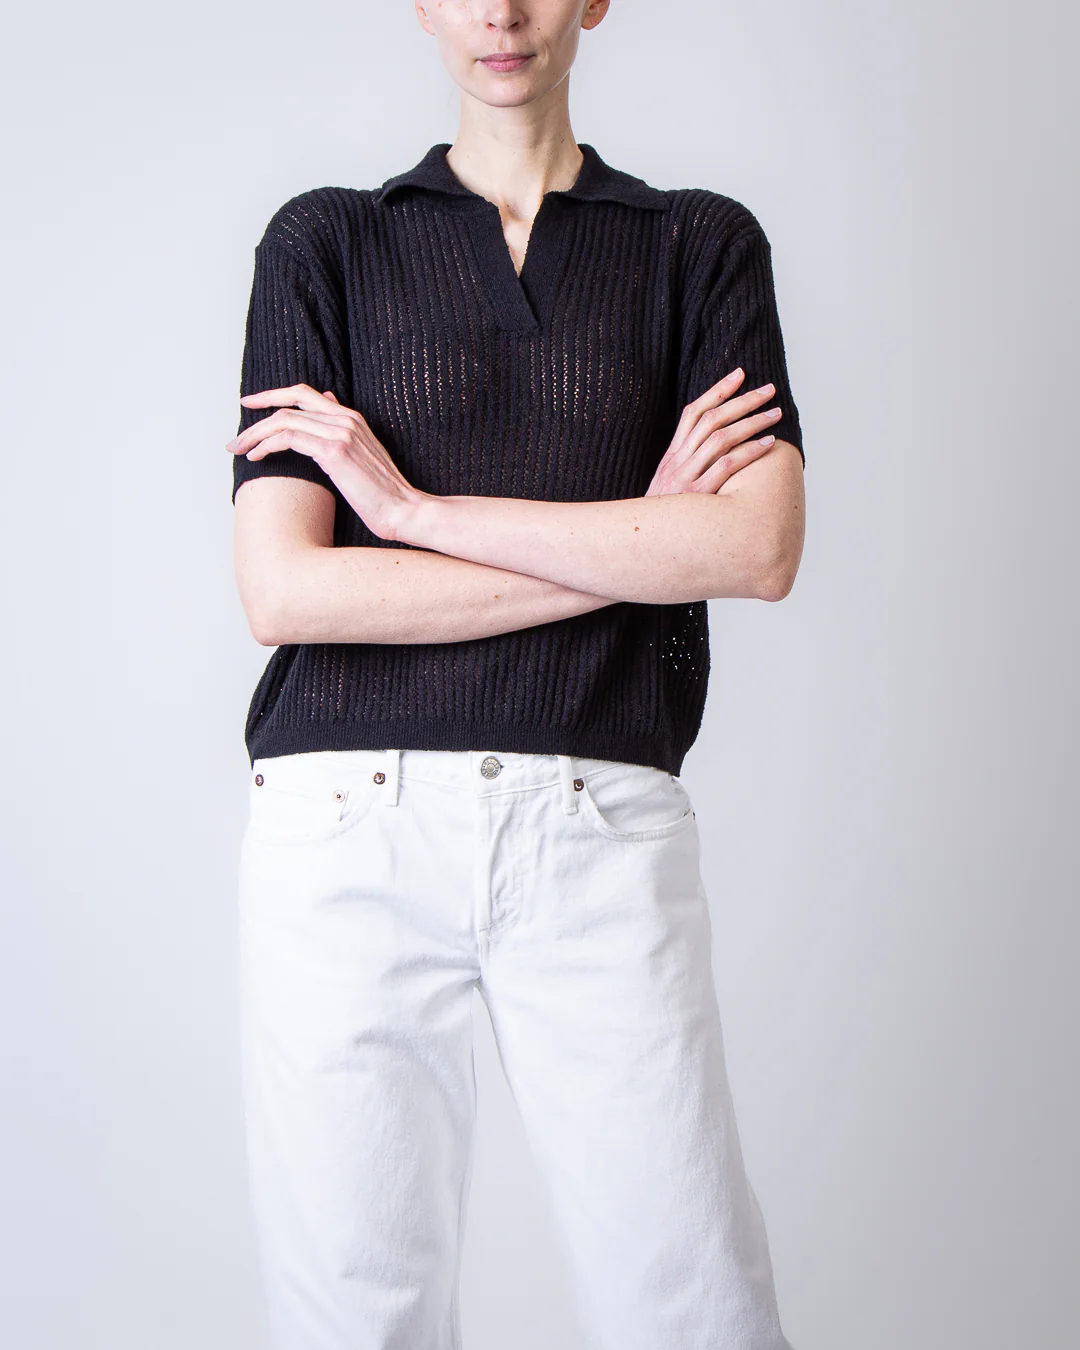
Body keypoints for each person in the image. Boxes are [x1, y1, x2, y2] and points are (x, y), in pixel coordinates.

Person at [225, 1, 806, 1346]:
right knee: (355, 1320)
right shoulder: (326, 243)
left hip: (600, 824)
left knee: (694, 1307)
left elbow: (758, 546)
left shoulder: (696, 246)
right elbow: (287, 589)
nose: (500, 12)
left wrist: (412, 513)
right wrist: (639, 539)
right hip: (347, 825)